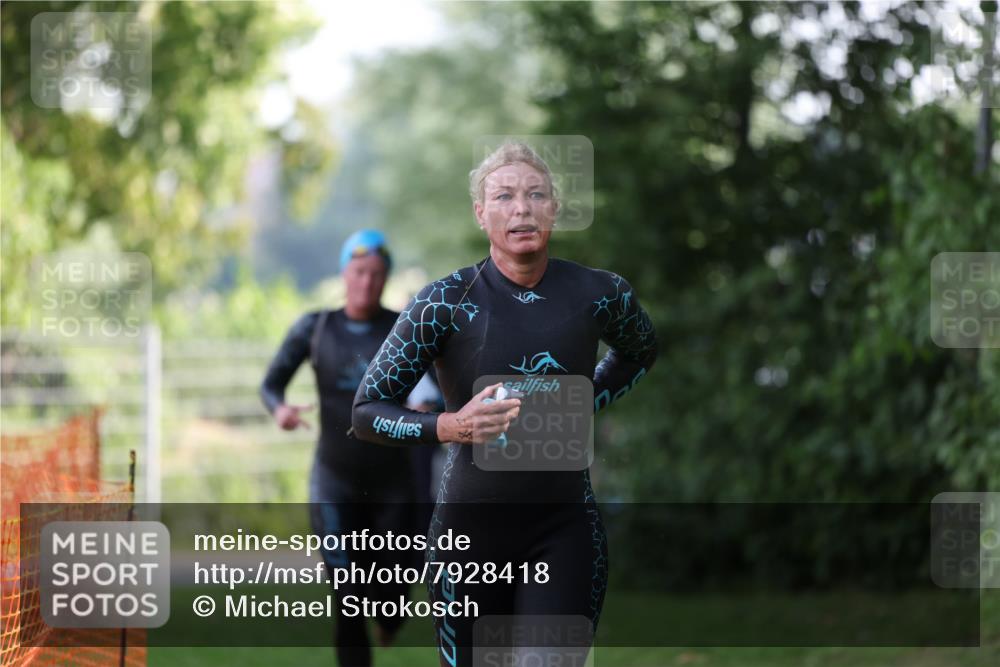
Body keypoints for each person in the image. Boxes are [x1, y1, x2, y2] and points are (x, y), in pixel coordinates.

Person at [352, 141, 658, 666]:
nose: (522, 207)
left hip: (564, 532)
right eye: (504, 196)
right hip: (468, 538)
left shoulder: (599, 294)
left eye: (537, 194)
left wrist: (587, 401)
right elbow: (366, 411)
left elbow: (640, 351)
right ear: (481, 212)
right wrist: (449, 426)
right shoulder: (443, 302)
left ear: (554, 210)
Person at [259, 229, 413, 667]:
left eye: (377, 275)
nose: (367, 283)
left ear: (386, 279)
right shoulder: (315, 327)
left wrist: (429, 402)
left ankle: (391, 620)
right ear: (345, 273)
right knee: (347, 593)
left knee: (393, 592)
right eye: (360, 272)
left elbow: (435, 388)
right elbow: (271, 385)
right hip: (335, 481)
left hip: (393, 484)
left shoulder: (403, 329)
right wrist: (280, 411)